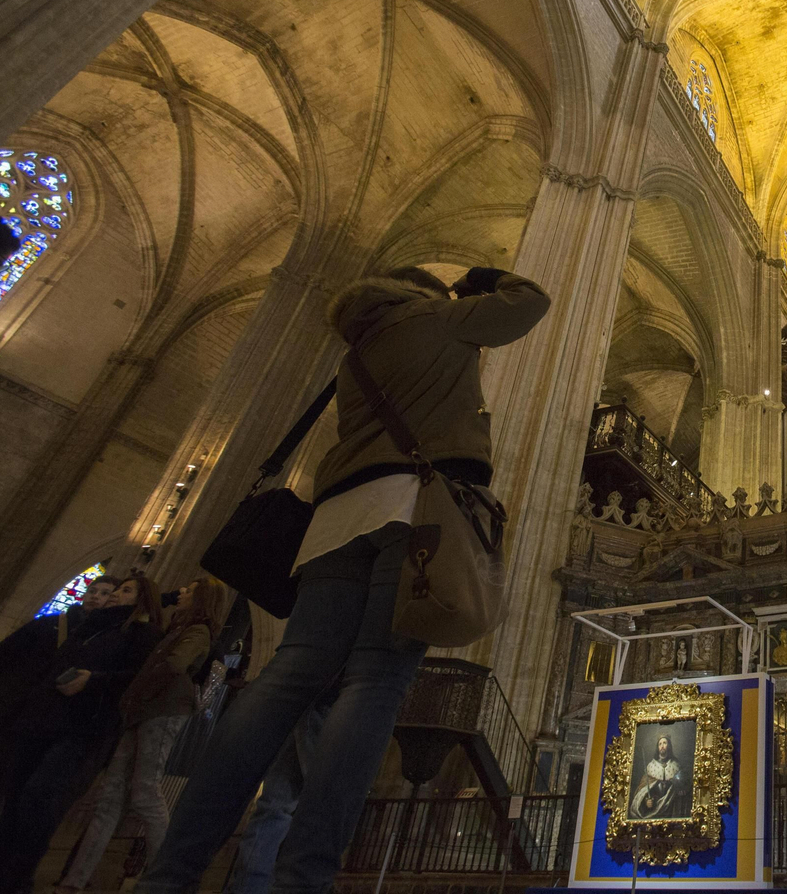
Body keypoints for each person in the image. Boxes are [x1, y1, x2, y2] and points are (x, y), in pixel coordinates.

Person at [140, 264, 550, 893]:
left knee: (285, 679)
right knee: (375, 681)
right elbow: (530, 302)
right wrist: (479, 281)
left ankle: (170, 873)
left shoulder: (359, 348)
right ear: (428, 295)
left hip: (333, 522)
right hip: (415, 515)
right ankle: (304, 878)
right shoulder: (441, 317)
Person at [56, 577, 231, 893]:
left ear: (202, 599)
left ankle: (165, 878)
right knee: (110, 796)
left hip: (163, 711)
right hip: (143, 709)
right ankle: (74, 880)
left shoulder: (197, 631)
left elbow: (176, 665)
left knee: (145, 790)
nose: (181, 592)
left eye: (189, 591)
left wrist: (143, 683)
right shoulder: (178, 628)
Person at [0, 574, 162, 894]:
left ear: (141, 602)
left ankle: (17, 877)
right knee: (15, 797)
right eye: (115, 589)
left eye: (125, 591)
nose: (114, 595)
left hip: (81, 728)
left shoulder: (140, 634)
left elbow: (139, 679)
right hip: (40, 720)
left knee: (38, 797)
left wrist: (94, 680)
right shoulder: (88, 626)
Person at [0, 574, 120, 825]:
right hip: (12, 707)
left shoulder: (101, 640)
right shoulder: (50, 625)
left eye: (105, 593)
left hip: (40, 721)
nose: (96, 596)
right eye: (94, 590)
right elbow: (3, 654)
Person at [221, 690, 334, 894]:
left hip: (307, 698)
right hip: (328, 700)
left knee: (275, 805)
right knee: (325, 806)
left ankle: (249, 887)